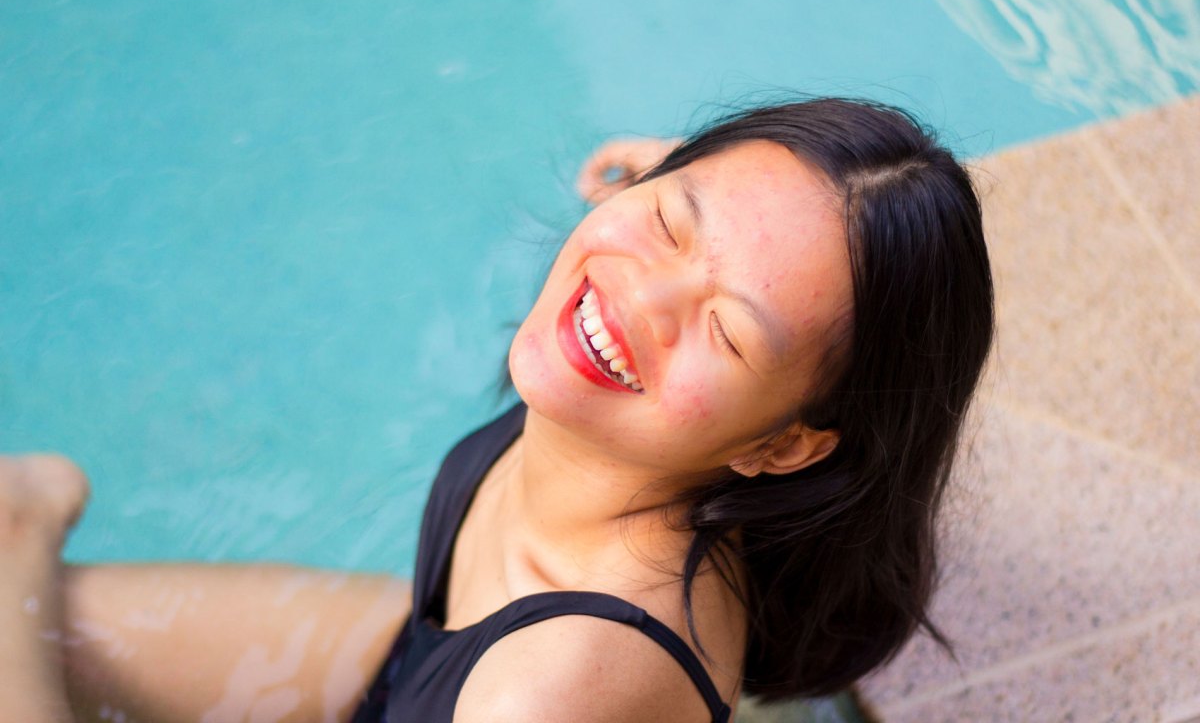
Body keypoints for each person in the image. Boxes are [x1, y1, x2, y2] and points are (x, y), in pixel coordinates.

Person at [0, 98, 994, 723]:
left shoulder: (563, 688)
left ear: (784, 442)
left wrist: (681, 216)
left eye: (727, 332)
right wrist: (663, 195)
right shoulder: (644, 372)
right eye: (668, 220)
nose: (638, 298)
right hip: (415, 659)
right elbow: (736, 238)